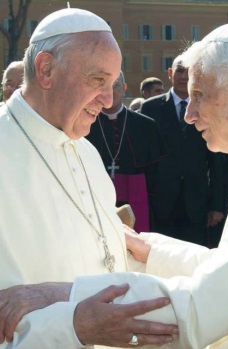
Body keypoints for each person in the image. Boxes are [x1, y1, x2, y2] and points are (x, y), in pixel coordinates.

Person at [3, 21, 228, 349]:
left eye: (199, 95)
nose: (189, 115)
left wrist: (63, 296)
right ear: (46, 70)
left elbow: (221, 297)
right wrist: (156, 253)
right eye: (97, 80)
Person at [0, 7, 178, 349]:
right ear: (46, 70)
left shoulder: (87, 153)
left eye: (113, 85)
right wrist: (72, 327)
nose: (110, 99)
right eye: (98, 80)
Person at [141, 54, 224, 246]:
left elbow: (216, 161)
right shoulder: (150, 108)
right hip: (160, 203)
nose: (184, 76)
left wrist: (216, 206)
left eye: (189, 72)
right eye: (179, 70)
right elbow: (145, 159)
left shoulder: (208, 109)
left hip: (196, 204)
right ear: (170, 73)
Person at [86, 71, 166, 232]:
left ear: (124, 88)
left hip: (139, 200)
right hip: (94, 199)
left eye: (115, 85)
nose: (110, 91)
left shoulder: (146, 126)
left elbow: (157, 176)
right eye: (104, 85)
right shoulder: (85, 124)